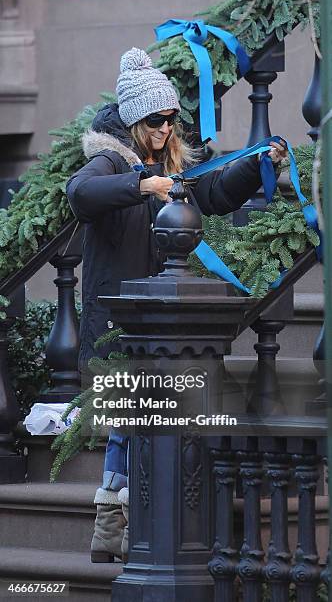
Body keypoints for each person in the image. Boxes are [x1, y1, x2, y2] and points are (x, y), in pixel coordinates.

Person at [66, 47, 287, 564]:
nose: (167, 128)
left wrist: (257, 165)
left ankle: (112, 526)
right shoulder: (110, 159)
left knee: (138, 420)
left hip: (161, 314)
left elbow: (213, 193)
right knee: (131, 418)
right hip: (119, 318)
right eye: (156, 120)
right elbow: (80, 194)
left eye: (171, 118)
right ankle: (115, 524)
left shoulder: (170, 164)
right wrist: (140, 185)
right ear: (135, 120)